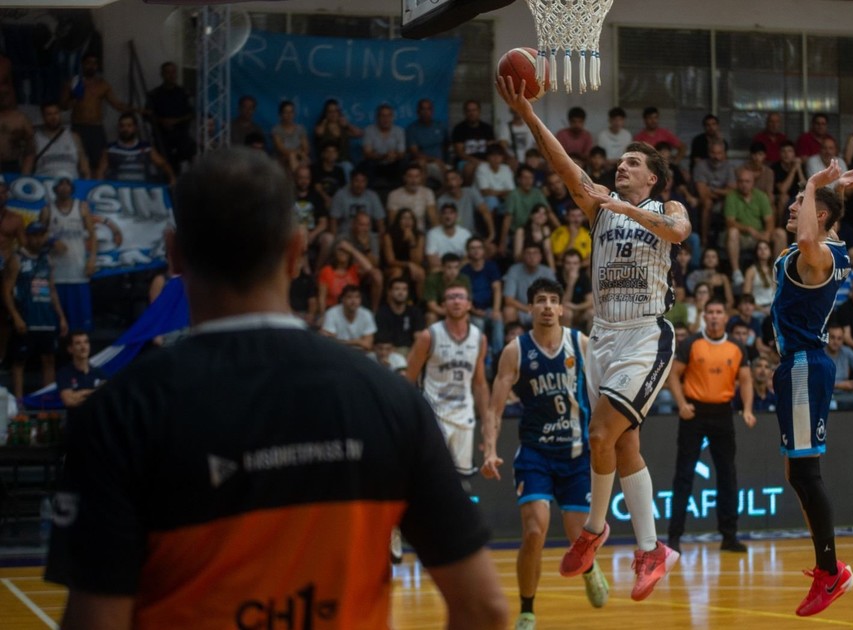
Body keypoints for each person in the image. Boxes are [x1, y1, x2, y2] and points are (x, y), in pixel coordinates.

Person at [43, 147, 507, 629]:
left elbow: (97, 622)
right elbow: (485, 609)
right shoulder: (391, 400)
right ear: (297, 251)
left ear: (174, 253)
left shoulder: (117, 414)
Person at [498, 75, 691, 601]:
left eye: (633, 162)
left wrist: (627, 209)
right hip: (602, 337)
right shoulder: (597, 206)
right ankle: (651, 549)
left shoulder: (667, 207)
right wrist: (528, 115)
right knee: (622, 442)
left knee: (601, 434)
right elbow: (563, 164)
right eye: (620, 161)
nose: (621, 166)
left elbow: (679, 233)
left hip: (646, 333)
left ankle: (594, 530)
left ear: (652, 177)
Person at [481, 278, 609, 630]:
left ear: (562, 309)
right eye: (541, 300)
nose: (548, 306)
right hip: (535, 454)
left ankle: (589, 566)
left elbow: (603, 392)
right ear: (530, 308)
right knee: (535, 530)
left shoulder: (580, 344)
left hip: (576, 453)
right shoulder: (516, 351)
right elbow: (493, 409)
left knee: (577, 535)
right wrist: (490, 449)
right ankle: (527, 610)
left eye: (554, 300)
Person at [771, 161, 853, 616]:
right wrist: (836, 188)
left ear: (819, 215)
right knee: (797, 473)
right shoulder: (835, 245)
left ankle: (831, 572)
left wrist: (812, 183)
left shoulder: (818, 253)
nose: (793, 207)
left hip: (804, 364)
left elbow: (810, 237)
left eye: (800, 203)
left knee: (806, 474)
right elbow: (823, 222)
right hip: (800, 364)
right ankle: (828, 568)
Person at [665, 298, 755, 553]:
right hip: (694, 413)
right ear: (704, 317)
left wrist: (748, 409)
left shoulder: (736, 346)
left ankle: (729, 536)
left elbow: (746, 380)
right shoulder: (691, 343)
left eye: (718, 312)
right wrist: (681, 404)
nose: (714, 316)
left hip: (723, 413)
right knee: (684, 475)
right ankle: (674, 537)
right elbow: (673, 374)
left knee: (727, 474)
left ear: (726, 317)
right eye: (710, 312)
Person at [406, 283, 490, 477]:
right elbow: (409, 379)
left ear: (469, 304)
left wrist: (487, 422)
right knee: (432, 476)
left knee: (461, 480)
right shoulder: (429, 336)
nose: (456, 301)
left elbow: (479, 384)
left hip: (464, 416)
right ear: (443, 305)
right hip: (434, 415)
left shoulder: (479, 338)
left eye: (460, 297)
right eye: (451, 297)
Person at [4, 221, 67, 400]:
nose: (39, 239)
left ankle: (46, 402)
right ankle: (19, 402)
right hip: (26, 318)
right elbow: (6, 290)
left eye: (42, 235)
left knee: (49, 360)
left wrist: (61, 317)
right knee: (19, 361)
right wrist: (15, 316)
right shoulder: (17, 259)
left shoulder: (47, 259)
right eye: (35, 235)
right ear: (27, 236)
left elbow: (52, 289)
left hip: (46, 318)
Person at [41, 177, 96, 333]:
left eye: (67, 184)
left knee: (80, 326)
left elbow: (92, 235)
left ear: (72, 187)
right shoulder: (47, 210)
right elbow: (37, 238)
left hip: (78, 273)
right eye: (61, 184)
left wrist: (92, 259)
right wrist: (52, 241)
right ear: (55, 188)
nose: (64, 187)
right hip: (55, 275)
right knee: (57, 325)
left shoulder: (82, 207)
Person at [56, 330, 107, 415]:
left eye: (86, 342)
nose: (83, 347)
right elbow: (69, 401)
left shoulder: (99, 373)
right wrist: (94, 393)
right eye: (78, 343)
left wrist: (78, 394)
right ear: (70, 349)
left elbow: (105, 399)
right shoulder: (64, 374)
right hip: (76, 420)